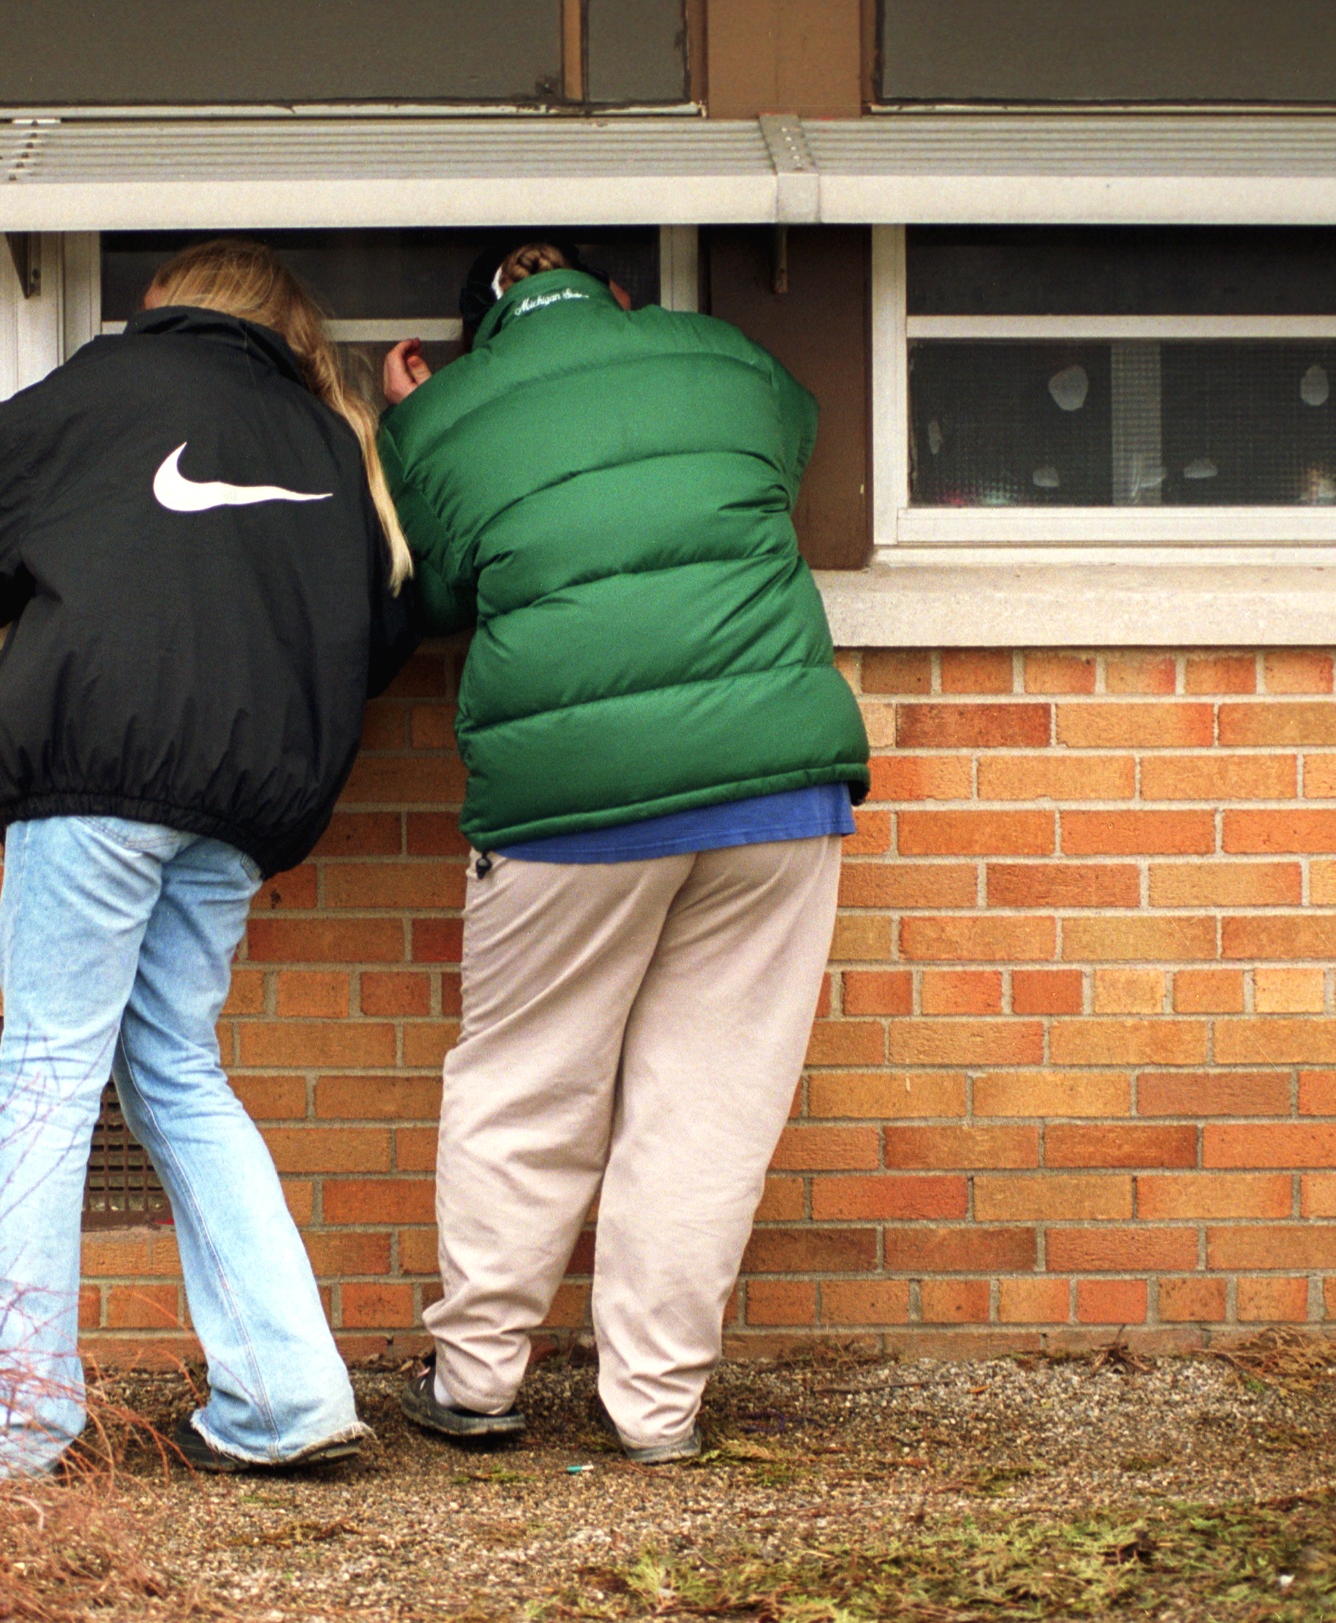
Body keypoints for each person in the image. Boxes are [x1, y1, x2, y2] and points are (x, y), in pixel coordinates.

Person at [0, 237, 415, 1479]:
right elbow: (384, 633)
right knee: (176, 1071)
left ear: (166, 308)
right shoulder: (332, 440)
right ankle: (288, 1399)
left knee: (48, 1075)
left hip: (97, 771)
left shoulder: (99, 386)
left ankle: (12, 1422)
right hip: (246, 800)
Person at [378, 241, 869, 1465]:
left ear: (475, 332)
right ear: (623, 299)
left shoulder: (438, 416)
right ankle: (656, 1412)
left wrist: (412, 415)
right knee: (709, 1106)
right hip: (775, 787)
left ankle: (479, 1382)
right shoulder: (722, 355)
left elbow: (433, 594)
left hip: (568, 802)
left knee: (525, 1086)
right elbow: (785, 455)